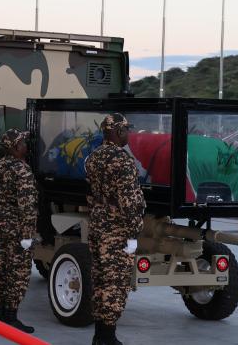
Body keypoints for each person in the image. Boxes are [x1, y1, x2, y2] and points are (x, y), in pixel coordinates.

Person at [85, 113, 146, 345]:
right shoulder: (122, 160)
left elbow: (93, 195)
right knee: (115, 284)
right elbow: (130, 202)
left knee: (100, 281)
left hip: (99, 224)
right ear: (117, 132)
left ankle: (100, 335)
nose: (128, 134)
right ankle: (107, 337)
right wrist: (133, 234)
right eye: (126, 130)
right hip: (117, 230)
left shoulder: (94, 157)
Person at [0, 128, 38, 333]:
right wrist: (27, 235)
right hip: (17, 228)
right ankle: (10, 317)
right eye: (23, 143)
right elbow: (27, 206)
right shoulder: (21, 170)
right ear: (16, 147)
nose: (26, 146)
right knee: (18, 272)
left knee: (2, 269)